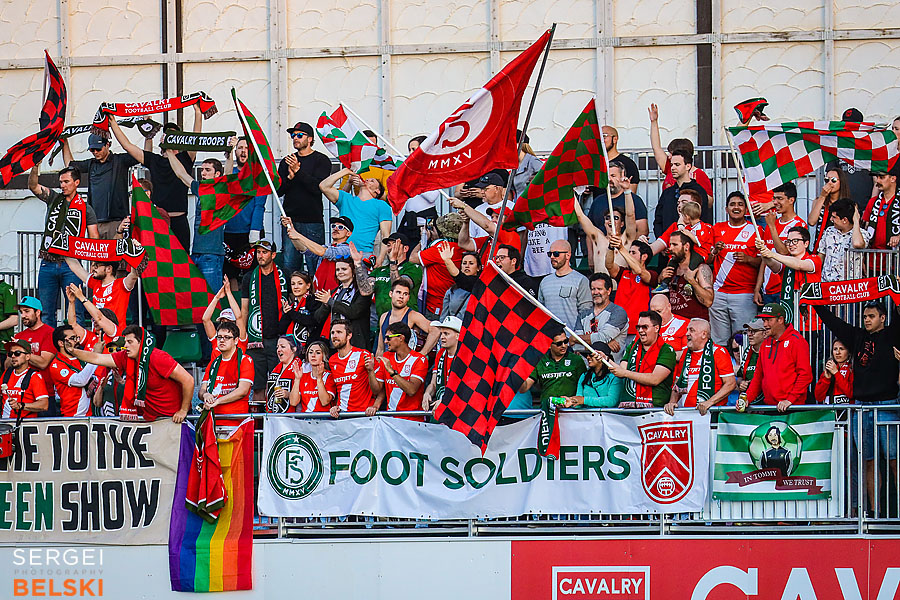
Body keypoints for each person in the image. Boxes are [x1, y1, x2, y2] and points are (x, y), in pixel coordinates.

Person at [813, 300, 900, 513]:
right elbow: (833, 323)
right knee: (868, 462)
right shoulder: (857, 336)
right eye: (864, 316)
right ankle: (875, 513)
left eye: (871, 316)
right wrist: (814, 301)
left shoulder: (892, 334)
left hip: (887, 406)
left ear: (883, 318)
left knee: (894, 462)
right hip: (862, 408)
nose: (867, 320)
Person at [108, 108, 205, 251]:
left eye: (174, 135)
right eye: (167, 135)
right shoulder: (155, 160)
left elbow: (196, 138)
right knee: (159, 260)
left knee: (183, 263)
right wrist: (113, 122)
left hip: (179, 219)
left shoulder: (185, 158)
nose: (170, 138)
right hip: (159, 220)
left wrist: (198, 112)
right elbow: (128, 146)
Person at [26, 163, 99, 325]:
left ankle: (76, 349)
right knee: (45, 313)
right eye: (61, 182)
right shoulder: (53, 198)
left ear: (77, 183)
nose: (62, 185)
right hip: (48, 262)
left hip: (72, 265)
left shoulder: (86, 208)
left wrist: (95, 263)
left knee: (77, 311)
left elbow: (94, 237)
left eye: (66, 182)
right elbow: (32, 185)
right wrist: (35, 167)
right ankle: (49, 350)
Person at [72, 325, 193, 422]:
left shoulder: (158, 357)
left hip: (173, 418)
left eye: (130, 342)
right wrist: (73, 351)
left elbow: (188, 380)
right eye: (125, 342)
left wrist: (183, 410)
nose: (125, 346)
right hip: (151, 418)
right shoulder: (125, 357)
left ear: (141, 343)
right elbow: (97, 358)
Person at [277, 121, 333, 274]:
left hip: (312, 221)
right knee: (289, 264)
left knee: (315, 264)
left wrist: (298, 172)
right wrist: (290, 176)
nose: (295, 138)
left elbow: (317, 188)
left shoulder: (321, 160)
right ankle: (291, 298)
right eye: (293, 135)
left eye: (300, 135)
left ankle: (316, 297)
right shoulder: (286, 161)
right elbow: (279, 191)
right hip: (291, 220)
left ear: (310, 139)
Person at [166, 152, 227, 290]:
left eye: (207, 170)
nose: (203, 173)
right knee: (198, 298)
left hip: (212, 254)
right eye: (202, 170)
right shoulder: (201, 189)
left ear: (217, 174)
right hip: (197, 253)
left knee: (213, 298)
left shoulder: (222, 190)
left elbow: (228, 175)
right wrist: (169, 152)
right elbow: (181, 174)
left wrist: (229, 157)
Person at [708, 191, 760, 346]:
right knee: (719, 343)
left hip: (744, 295)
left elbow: (765, 262)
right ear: (726, 209)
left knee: (744, 341)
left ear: (746, 209)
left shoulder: (755, 230)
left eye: (740, 204)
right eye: (732, 204)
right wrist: (715, 251)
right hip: (719, 293)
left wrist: (749, 259)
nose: (736, 208)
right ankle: (722, 370)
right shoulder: (717, 228)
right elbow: (708, 258)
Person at [62, 133, 138, 239]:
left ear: (107, 145)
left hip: (116, 222)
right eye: (92, 150)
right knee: (96, 255)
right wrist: (64, 140)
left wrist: (148, 136)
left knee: (117, 254)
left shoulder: (120, 160)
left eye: (98, 149)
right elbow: (69, 165)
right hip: (95, 222)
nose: (95, 152)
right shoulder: (91, 164)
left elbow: (143, 156)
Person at [742, 303, 813, 412]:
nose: (765, 324)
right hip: (770, 407)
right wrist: (747, 398)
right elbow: (758, 376)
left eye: (768, 320)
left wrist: (790, 400)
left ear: (780, 320)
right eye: (764, 320)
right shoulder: (765, 344)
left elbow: (805, 375)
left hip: (792, 408)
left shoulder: (796, 341)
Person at [240, 239, 285, 405]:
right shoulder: (248, 278)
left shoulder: (284, 275)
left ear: (273, 255)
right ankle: (258, 427)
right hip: (255, 340)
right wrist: (243, 337)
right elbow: (244, 309)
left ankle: (276, 424)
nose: (260, 255)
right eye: (258, 252)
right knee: (258, 387)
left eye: (264, 252)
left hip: (279, 339)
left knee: (279, 386)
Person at [756, 226, 823, 333]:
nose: (791, 244)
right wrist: (763, 251)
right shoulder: (786, 262)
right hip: (789, 320)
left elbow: (800, 265)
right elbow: (773, 265)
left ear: (806, 243)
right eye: (788, 241)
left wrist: (772, 254)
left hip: (809, 323)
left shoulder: (814, 259)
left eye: (795, 241)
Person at [664, 318, 736, 416]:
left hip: (710, 414)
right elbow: (678, 383)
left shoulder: (718, 352)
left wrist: (709, 402)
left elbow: (730, 384)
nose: (687, 334)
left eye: (692, 330)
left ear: (704, 334)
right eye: (687, 330)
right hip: (684, 414)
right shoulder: (685, 354)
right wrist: (672, 402)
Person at [609, 311, 677, 408]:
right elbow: (621, 371)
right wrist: (606, 359)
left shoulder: (667, 350)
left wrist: (624, 373)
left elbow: (655, 379)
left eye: (645, 327)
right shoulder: (632, 347)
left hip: (654, 411)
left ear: (656, 328)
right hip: (629, 409)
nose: (640, 330)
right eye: (638, 327)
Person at [754, 182, 808, 305]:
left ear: (791, 200)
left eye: (780, 198)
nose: (775, 202)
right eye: (774, 198)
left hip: (786, 287)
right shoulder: (771, 223)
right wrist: (758, 288)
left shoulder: (799, 225)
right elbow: (764, 257)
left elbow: (784, 251)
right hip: (768, 288)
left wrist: (772, 226)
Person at [649, 104, 714, 202]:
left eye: (671, 153)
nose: (669, 157)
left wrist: (693, 187)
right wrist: (654, 122)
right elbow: (656, 148)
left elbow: (709, 202)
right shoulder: (670, 167)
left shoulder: (699, 175)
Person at [319, 167, 392, 255]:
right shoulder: (346, 198)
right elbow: (323, 186)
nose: (367, 179)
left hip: (364, 252)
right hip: (340, 250)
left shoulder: (382, 205)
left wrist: (380, 258)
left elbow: (385, 235)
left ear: (377, 191)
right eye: (367, 179)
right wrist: (346, 172)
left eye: (372, 181)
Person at [410, 212, 465, 318]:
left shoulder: (440, 247)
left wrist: (423, 239)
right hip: (455, 303)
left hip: (436, 306)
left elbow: (413, 258)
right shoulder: (466, 247)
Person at [199, 321, 254, 424]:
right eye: (219, 337)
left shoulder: (245, 360)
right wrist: (205, 395)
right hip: (213, 422)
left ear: (236, 340)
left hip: (236, 423)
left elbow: (242, 391)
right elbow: (202, 390)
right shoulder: (213, 363)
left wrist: (218, 401)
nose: (222, 340)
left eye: (227, 337)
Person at [282, 214, 353, 294]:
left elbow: (325, 252)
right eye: (334, 226)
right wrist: (291, 229)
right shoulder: (326, 246)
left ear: (348, 234)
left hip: (336, 294)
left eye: (340, 227)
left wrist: (298, 235)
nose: (336, 229)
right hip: (319, 292)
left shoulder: (347, 249)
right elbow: (302, 248)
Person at [65, 258, 138, 335]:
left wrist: (134, 254)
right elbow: (75, 267)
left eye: (96, 265)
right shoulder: (95, 282)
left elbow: (134, 275)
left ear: (109, 268)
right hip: (96, 335)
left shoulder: (122, 284)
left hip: (116, 336)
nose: (93, 269)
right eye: (92, 265)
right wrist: (62, 248)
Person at [223, 137, 266, 266]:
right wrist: (229, 153)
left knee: (253, 270)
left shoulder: (258, 176)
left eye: (247, 148)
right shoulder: (231, 173)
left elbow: (259, 205)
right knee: (230, 273)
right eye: (240, 148)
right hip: (230, 231)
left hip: (251, 232)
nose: (243, 151)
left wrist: (255, 231)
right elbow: (226, 180)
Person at [314, 256, 373, 350]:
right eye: (337, 269)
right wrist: (326, 304)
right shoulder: (333, 292)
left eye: (344, 269)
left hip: (356, 343)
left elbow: (354, 312)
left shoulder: (362, 292)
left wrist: (330, 301)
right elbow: (318, 318)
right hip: (336, 344)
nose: (340, 272)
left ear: (353, 271)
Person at [374, 322, 428, 421]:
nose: (385, 341)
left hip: (412, 420)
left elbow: (411, 390)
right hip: (391, 419)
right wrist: (370, 371)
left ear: (401, 338)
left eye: (388, 338)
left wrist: (392, 372)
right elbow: (379, 390)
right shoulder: (386, 357)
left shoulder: (419, 359)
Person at [607, 236, 655, 347]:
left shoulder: (652, 274)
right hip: (618, 331)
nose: (628, 255)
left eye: (633, 252)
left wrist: (621, 248)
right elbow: (609, 265)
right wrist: (610, 248)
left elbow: (639, 270)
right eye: (629, 252)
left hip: (639, 331)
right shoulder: (623, 273)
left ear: (644, 257)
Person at [520, 330, 587, 409]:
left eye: (566, 341)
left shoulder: (576, 360)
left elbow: (585, 387)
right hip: (547, 410)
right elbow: (524, 388)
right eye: (559, 343)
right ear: (549, 345)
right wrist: (517, 372)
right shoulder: (540, 360)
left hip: (571, 411)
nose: (564, 346)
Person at [328, 320, 381, 417]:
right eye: (332, 333)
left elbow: (380, 389)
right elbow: (340, 388)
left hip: (362, 415)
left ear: (349, 336)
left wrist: (375, 406)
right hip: (342, 415)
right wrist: (335, 406)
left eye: (339, 332)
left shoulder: (363, 355)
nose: (334, 336)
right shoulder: (332, 360)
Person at [652, 149, 711, 237]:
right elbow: (658, 220)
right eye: (671, 164)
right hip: (666, 245)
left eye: (677, 164)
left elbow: (702, 220)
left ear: (688, 166)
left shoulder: (698, 191)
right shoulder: (667, 192)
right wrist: (662, 240)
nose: (673, 168)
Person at [826, 108, 874, 213]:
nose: (849, 130)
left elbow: (877, 181)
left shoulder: (870, 148)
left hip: (865, 208)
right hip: (842, 209)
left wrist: (871, 208)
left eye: (852, 127)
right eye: (846, 126)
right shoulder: (837, 148)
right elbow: (830, 177)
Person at [658, 231, 714, 321]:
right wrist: (660, 278)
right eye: (670, 244)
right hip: (674, 325)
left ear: (686, 247)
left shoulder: (701, 269)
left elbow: (708, 301)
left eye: (675, 245)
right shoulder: (670, 269)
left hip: (694, 326)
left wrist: (692, 281)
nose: (670, 248)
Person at [538, 240, 591, 331]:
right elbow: (541, 312)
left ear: (568, 255)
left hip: (574, 339)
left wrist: (579, 337)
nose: (552, 257)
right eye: (549, 254)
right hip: (551, 339)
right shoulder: (545, 281)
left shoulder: (581, 280)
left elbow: (586, 313)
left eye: (556, 253)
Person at [376, 278, 437, 356]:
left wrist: (422, 354)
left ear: (408, 298)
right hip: (388, 362)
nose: (401, 296)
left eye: (405, 294)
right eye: (398, 292)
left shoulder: (412, 316)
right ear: (391, 294)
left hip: (404, 364)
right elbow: (380, 349)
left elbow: (435, 330)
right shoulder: (384, 317)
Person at [587, 160, 649, 237]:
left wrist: (628, 246)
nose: (609, 179)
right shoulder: (597, 201)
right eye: (607, 176)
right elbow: (590, 231)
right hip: (601, 247)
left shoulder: (635, 200)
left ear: (622, 177)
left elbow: (642, 230)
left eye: (613, 176)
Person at [575, 273, 629, 361]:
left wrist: (578, 339)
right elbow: (576, 346)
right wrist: (605, 344)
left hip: (612, 369)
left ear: (609, 291)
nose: (596, 292)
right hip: (588, 369)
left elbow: (602, 337)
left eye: (599, 289)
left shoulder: (618, 312)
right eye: (593, 289)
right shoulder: (583, 314)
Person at [368, 232, 422, 319]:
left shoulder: (413, 268)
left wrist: (393, 261)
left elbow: (399, 286)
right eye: (388, 245)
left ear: (405, 249)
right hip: (382, 323)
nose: (391, 248)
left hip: (405, 322)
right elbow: (365, 291)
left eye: (395, 244)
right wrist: (357, 264)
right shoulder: (379, 270)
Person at [817, 198, 870, 281]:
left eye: (834, 217)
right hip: (827, 284)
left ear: (845, 220)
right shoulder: (829, 231)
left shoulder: (862, 234)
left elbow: (857, 244)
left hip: (849, 287)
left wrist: (856, 220)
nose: (831, 219)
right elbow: (821, 256)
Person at [650, 192, 713, 260]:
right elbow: (654, 248)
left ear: (695, 206)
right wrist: (643, 246)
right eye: (678, 203)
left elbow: (711, 255)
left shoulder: (706, 228)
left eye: (684, 202)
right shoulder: (674, 227)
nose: (679, 206)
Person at [563, 341, 623, 409]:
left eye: (591, 355)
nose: (588, 357)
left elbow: (612, 401)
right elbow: (579, 402)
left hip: (610, 418)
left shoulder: (615, 377)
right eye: (587, 355)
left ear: (602, 357)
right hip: (587, 418)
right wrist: (570, 401)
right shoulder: (584, 376)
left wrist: (584, 400)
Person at [1, 339, 49, 419]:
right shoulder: (7, 373)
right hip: (4, 427)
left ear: (28, 356)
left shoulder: (34, 376)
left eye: (17, 353)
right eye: (10, 354)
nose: (13, 356)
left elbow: (44, 405)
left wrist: (21, 405)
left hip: (24, 427)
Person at [422, 315, 462, 412]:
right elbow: (433, 383)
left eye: (446, 334)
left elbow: (465, 389)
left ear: (458, 336)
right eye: (441, 334)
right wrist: (427, 393)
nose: (442, 337)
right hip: (441, 408)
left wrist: (446, 401)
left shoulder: (465, 356)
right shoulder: (440, 354)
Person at [280, 271, 322, 357]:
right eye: (293, 284)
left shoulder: (314, 301)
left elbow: (311, 320)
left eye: (300, 283)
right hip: (292, 351)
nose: (296, 287)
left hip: (310, 351)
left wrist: (291, 313)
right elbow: (281, 329)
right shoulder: (292, 305)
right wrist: (286, 313)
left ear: (308, 285)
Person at [202, 277, 248, 356]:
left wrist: (228, 293)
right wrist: (217, 298)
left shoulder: (239, 339)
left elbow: (239, 317)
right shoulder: (217, 339)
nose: (225, 324)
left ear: (234, 323)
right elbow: (205, 319)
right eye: (222, 321)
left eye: (229, 321)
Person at [808, 167, 848, 252]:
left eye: (833, 180)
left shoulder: (847, 204)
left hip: (838, 249)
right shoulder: (818, 201)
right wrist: (823, 196)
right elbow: (811, 222)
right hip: (820, 247)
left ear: (841, 182)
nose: (829, 183)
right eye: (827, 180)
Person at [11, 297, 56, 374]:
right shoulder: (18, 336)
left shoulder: (50, 333)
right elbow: (7, 366)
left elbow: (43, 363)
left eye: (27, 311)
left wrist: (20, 351)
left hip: (42, 384)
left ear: (38, 312)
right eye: (21, 312)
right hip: (20, 384)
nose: (23, 316)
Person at [289, 340, 336, 413]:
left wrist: (319, 379)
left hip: (324, 420)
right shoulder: (303, 376)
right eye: (310, 352)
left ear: (324, 355)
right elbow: (293, 402)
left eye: (317, 353)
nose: (313, 355)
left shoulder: (329, 376)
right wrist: (297, 379)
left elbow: (324, 401)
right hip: (305, 419)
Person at [863, 160, 900, 250]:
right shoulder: (872, 202)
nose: (878, 181)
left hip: (895, 260)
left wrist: (898, 236)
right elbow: (866, 230)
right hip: (873, 259)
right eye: (877, 177)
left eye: (882, 177)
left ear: (893, 178)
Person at [439, 248, 481, 321]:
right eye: (464, 263)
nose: (467, 266)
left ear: (478, 268)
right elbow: (444, 317)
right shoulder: (451, 291)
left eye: (471, 263)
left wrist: (448, 261)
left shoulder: (481, 286)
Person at [266, 335, 302, 413]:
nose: (279, 350)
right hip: (271, 417)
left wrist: (287, 394)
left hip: (290, 419)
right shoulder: (276, 368)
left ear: (294, 349)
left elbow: (304, 397)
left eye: (282, 347)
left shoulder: (300, 368)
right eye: (277, 347)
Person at [736, 319, 767, 406]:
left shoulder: (770, 351)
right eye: (748, 331)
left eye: (754, 331)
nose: (749, 334)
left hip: (766, 404)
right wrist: (741, 383)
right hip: (749, 403)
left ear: (765, 333)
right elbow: (739, 376)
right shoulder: (747, 351)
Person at [649, 294, 689, 361]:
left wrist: (661, 356)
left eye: (659, 311)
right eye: (653, 312)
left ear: (669, 307)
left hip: (675, 369)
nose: (656, 316)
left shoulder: (684, 324)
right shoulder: (646, 324)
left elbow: (688, 354)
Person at [814, 339, 853, 404]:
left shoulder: (852, 369)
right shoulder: (830, 368)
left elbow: (850, 393)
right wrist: (826, 379)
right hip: (829, 411)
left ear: (848, 352)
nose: (838, 352)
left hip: (847, 411)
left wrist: (836, 373)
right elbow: (818, 397)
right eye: (835, 349)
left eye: (841, 349)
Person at [601, 126, 640, 191]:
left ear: (615, 139)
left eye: (604, 136)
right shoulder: (595, 163)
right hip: (598, 201)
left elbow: (632, 193)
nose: (600, 140)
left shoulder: (628, 164)